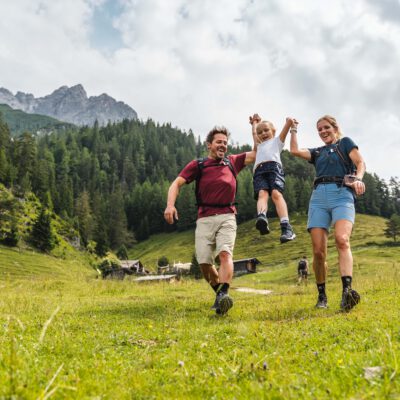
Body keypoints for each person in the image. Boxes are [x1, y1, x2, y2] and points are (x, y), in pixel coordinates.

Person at [164, 126, 257, 315]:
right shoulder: (198, 165)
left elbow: (256, 153)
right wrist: (170, 205)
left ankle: (223, 295)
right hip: (205, 218)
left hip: (227, 216)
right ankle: (220, 295)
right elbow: (176, 183)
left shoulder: (233, 162)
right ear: (209, 145)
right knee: (204, 262)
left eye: (225, 142)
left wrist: (254, 127)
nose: (223, 145)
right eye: (218, 142)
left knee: (225, 254)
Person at [290, 115, 366, 310]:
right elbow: (294, 151)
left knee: (342, 239)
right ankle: (322, 296)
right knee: (318, 251)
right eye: (319, 130)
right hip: (318, 198)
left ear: (334, 127)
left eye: (326, 128)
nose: (323, 132)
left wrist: (358, 179)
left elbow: (360, 163)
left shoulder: (345, 142)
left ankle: (346, 293)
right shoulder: (318, 152)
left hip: (342, 194)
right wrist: (293, 129)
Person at [250, 114, 296, 243]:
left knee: (276, 194)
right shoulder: (258, 145)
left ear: (273, 131)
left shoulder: (277, 141)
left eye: (266, 130)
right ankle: (262, 217)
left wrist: (289, 122)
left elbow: (285, 131)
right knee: (262, 194)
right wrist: (254, 123)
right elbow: (254, 133)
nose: (263, 133)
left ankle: (286, 227)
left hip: (274, 168)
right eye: (260, 132)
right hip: (259, 170)